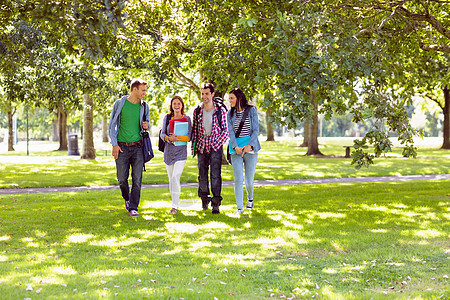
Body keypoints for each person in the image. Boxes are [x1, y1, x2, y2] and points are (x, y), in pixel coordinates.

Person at [108, 78, 149, 217]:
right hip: (122, 147)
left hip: (138, 147)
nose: (145, 93)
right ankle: (127, 198)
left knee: (137, 179)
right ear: (134, 89)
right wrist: (114, 144)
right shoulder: (120, 104)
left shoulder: (144, 106)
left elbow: (146, 124)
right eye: (143, 90)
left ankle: (133, 207)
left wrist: (147, 126)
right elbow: (112, 125)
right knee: (122, 179)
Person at [191, 83, 229, 214]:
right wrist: (194, 148)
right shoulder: (197, 110)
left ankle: (216, 203)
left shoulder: (220, 110)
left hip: (215, 147)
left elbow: (226, 131)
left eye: (207, 94)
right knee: (202, 176)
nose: (204, 96)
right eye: (202, 93)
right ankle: (204, 199)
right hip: (201, 147)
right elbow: (195, 131)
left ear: (212, 94)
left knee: (215, 175)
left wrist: (216, 144)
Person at [227, 88, 261, 215]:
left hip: (250, 149)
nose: (230, 101)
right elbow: (230, 132)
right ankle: (239, 208)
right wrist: (236, 147)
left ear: (239, 98)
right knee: (238, 179)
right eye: (229, 98)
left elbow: (255, 130)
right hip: (236, 150)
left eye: (232, 98)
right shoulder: (229, 114)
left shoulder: (251, 110)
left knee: (249, 180)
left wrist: (249, 146)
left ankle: (250, 199)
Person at [160, 96, 192, 215]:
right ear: (171, 105)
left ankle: (174, 207)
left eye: (179, 103)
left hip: (181, 153)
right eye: (174, 103)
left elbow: (189, 136)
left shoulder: (187, 118)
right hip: (169, 152)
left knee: (175, 177)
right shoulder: (167, 118)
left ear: (182, 105)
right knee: (171, 179)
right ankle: (175, 202)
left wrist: (178, 138)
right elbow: (162, 134)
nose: (177, 105)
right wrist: (169, 138)